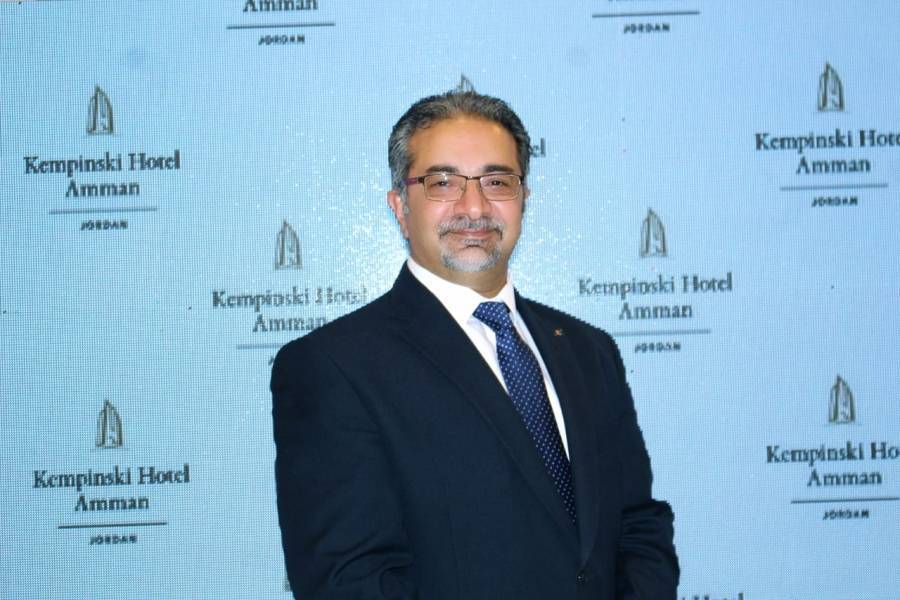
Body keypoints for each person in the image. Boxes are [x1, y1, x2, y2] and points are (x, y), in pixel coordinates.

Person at [272, 91, 679, 599]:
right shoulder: (333, 367)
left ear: (524, 198)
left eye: (497, 181)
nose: (474, 207)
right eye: (443, 182)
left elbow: (637, 525)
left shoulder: (588, 351)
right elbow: (350, 582)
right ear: (400, 206)